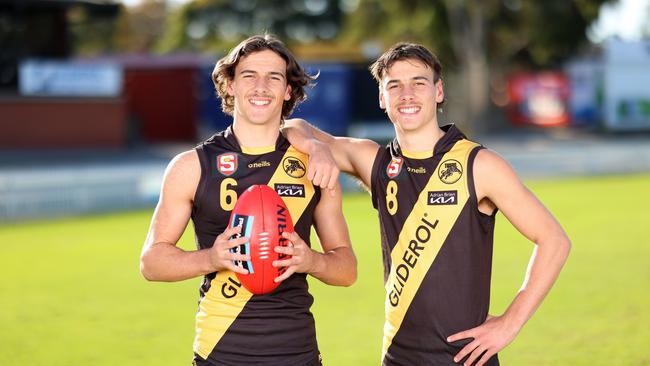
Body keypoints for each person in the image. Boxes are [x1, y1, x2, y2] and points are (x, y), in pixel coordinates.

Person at [282, 42, 571, 366]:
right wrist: (314, 147)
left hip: (466, 358)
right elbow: (292, 126)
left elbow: (554, 240)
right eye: (394, 85)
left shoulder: (479, 164)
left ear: (438, 91)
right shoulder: (375, 161)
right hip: (397, 358)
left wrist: (510, 323)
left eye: (418, 82)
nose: (407, 94)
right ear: (382, 97)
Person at [139, 34, 357, 366]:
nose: (261, 86)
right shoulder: (191, 166)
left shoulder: (315, 165)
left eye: (274, 77)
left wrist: (310, 260)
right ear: (229, 85)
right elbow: (151, 263)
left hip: (296, 353)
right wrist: (213, 258)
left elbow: (347, 270)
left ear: (287, 91)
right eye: (249, 75)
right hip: (219, 354)